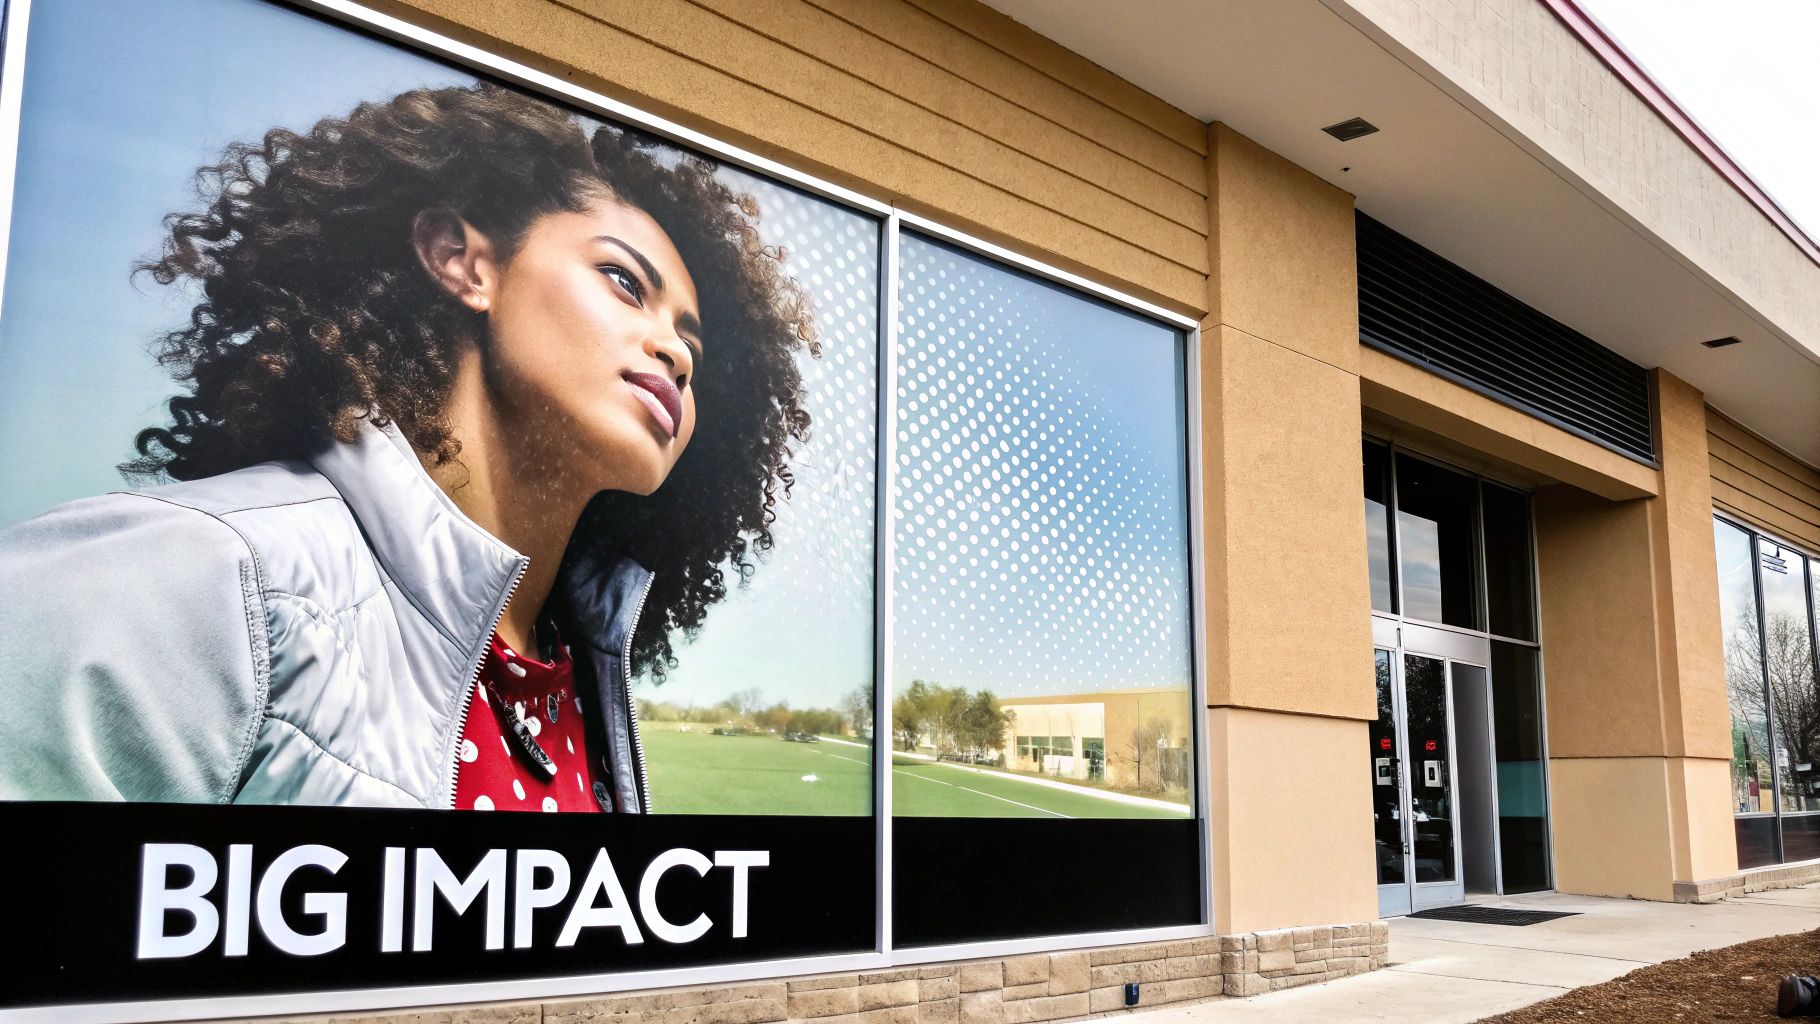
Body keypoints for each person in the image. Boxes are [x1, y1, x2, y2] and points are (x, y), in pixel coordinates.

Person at [0, 82, 815, 812]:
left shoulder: (583, 676)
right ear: (462, 262)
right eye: (625, 283)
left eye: (693, 351)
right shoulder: (202, 578)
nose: (674, 353)